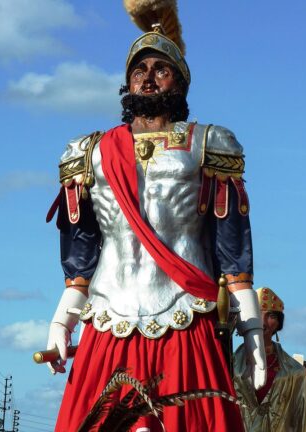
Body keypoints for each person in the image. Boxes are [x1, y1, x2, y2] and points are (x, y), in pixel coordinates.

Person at [45, 2, 266, 431]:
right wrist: (62, 321)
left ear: (179, 83)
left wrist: (253, 334)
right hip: (110, 314)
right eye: (138, 69)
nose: (147, 77)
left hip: (185, 315)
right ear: (127, 83)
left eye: (160, 69)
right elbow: (82, 251)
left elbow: (232, 249)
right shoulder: (88, 152)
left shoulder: (209, 144)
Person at [234, 287, 306, 431]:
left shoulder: (296, 372)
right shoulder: (228, 365)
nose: (262, 322)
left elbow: (302, 420)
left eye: (271, 316)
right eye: (257, 314)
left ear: (279, 324)